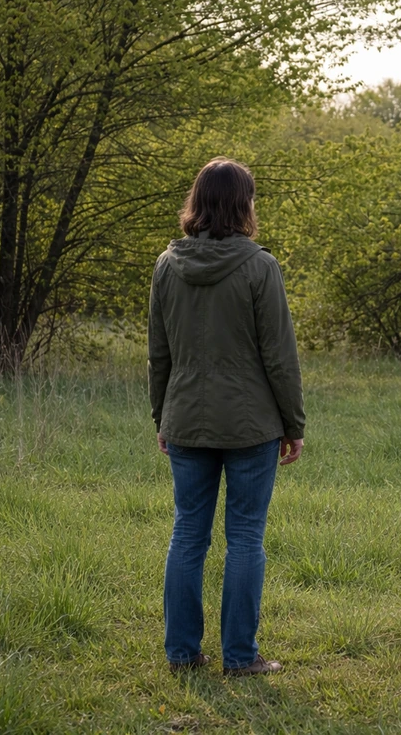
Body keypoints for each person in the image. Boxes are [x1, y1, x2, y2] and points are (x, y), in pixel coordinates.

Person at [147, 157, 305, 676]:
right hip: (251, 425)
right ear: (243, 205)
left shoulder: (167, 266)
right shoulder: (260, 266)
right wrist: (294, 424)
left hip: (187, 418)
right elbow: (280, 355)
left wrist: (162, 417)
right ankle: (241, 658)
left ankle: (181, 656)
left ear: (197, 202)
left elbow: (159, 354)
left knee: (188, 534)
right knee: (245, 538)